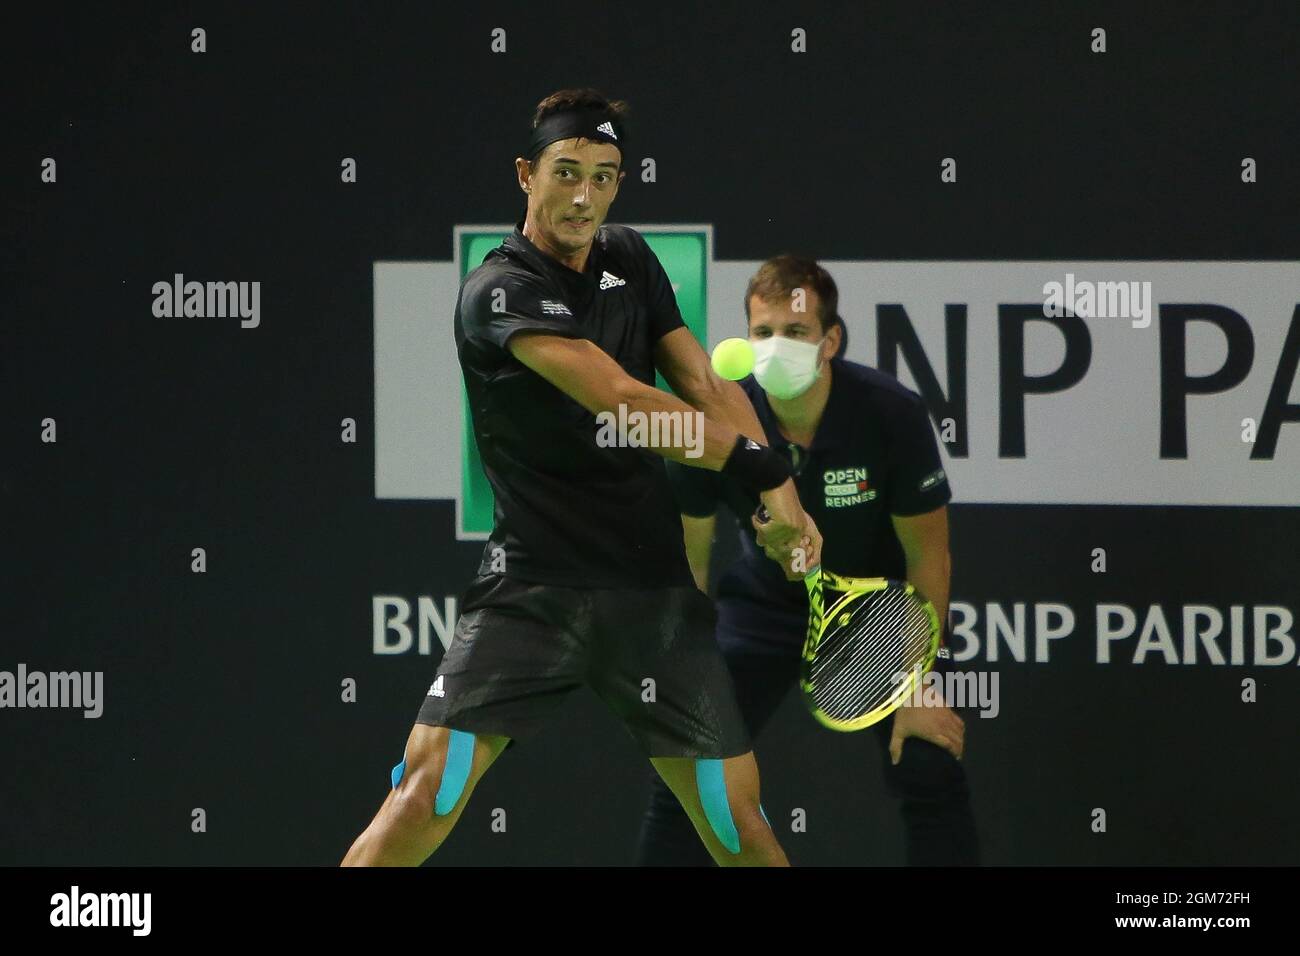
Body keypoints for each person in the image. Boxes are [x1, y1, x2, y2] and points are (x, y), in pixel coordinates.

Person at [341, 89, 822, 866]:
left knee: (738, 825)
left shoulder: (629, 257)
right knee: (427, 792)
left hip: (650, 590)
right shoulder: (498, 291)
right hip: (534, 589)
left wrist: (786, 500)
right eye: (566, 172)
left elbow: (704, 384)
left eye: (603, 177)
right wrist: (756, 463)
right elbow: (628, 403)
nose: (583, 196)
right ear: (526, 174)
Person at [636, 255, 980, 866]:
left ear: (830, 340)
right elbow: (689, 561)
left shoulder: (890, 414)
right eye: (762, 332)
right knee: (690, 774)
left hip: (881, 617)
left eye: (794, 333)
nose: (776, 347)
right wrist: (686, 666)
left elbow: (930, 553)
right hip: (762, 610)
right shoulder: (713, 424)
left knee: (929, 760)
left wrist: (921, 678)